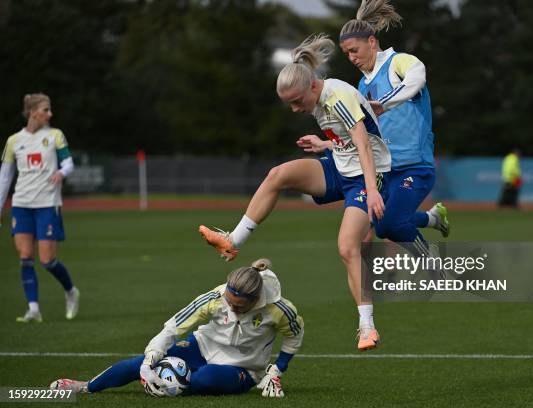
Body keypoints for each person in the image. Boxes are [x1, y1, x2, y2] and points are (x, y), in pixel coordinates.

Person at [200, 33, 390, 351]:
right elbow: (352, 133)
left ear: (313, 86)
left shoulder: (335, 96)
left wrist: (372, 191)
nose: (294, 109)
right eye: (289, 103)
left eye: (297, 101)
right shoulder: (319, 98)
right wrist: (324, 143)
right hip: (340, 167)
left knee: (347, 247)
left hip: (368, 177)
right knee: (279, 175)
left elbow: (364, 146)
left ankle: (367, 326)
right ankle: (233, 241)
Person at [50, 259, 302, 398]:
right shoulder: (215, 298)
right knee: (138, 363)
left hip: (243, 368)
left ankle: (171, 385)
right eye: (229, 300)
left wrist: (277, 370)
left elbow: (294, 335)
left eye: (238, 306)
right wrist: (151, 360)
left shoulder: (278, 309)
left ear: (254, 300)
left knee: (205, 379)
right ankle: (86, 386)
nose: (231, 306)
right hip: (201, 348)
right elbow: (174, 326)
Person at [334, 0, 449, 249]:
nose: (352, 58)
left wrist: (383, 104)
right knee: (378, 223)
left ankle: (432, 262)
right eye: (347, 54)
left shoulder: (397, 62)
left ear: (372, 42)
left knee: (390, 225)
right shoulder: (362, 85)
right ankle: (432, 219)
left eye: (355, 50)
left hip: (414, 167)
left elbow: (417, 75)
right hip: (385, 172)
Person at [0, 93, 79, 323]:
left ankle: (71, 291)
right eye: (46, 110)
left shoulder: (55, 136)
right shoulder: (14, 141)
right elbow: (5, 177)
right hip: (22, 204)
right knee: (25, 257)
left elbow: (68, 163)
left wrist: (61, 173)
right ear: (33, 111)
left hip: (47, 204)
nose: (50, 114)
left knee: (47, 260)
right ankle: (33, 309)